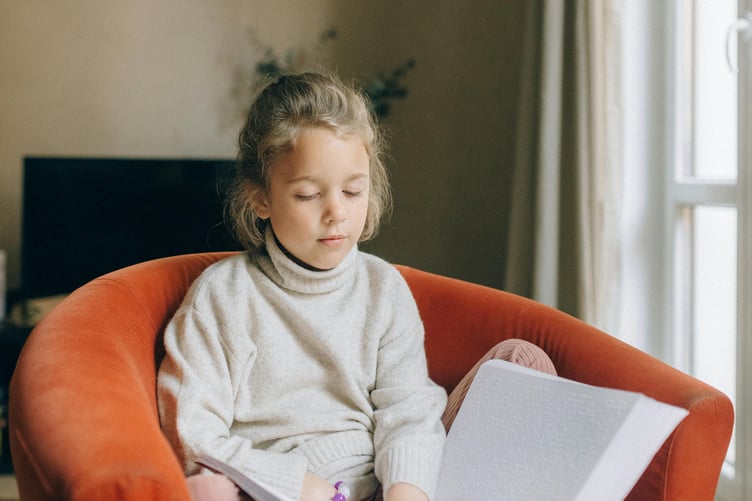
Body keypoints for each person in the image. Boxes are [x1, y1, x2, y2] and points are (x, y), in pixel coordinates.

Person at [157, 71, 556, 501]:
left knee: (522, 359)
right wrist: (300, 486)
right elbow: (193, 435)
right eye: (309, 195)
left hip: (390, 480)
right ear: (260, 199)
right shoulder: (224, 297)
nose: (336, 214)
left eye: (352, 191)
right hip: (286, 491)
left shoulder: (383, 288)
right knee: (208, 491)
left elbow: (407, 412)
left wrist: (407, 491)